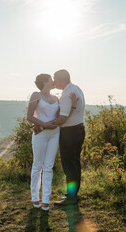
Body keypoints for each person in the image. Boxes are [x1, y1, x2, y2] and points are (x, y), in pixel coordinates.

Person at [27, 73, 77, 211]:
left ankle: (46, 200)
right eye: (51, 79)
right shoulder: (36, 95)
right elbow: (29, 116)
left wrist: (72, 107)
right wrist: (43, 125)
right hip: (40, 135)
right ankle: (35, 197)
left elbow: (62, 117)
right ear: (44, 82)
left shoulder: (56, 98)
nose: (54, 81)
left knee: (49, 167)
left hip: (54, 134)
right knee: (38, 165)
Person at [47, 69, 85, 206]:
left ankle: (71, 198)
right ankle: (73, 195)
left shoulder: (66, 95)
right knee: (74, 164)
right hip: (79, 129)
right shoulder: (76, 88)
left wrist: (44, 125)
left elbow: (62, 119)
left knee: (69, 165)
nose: (54, 81)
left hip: (70, 133)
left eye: (55, 78)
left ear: (62, 79)